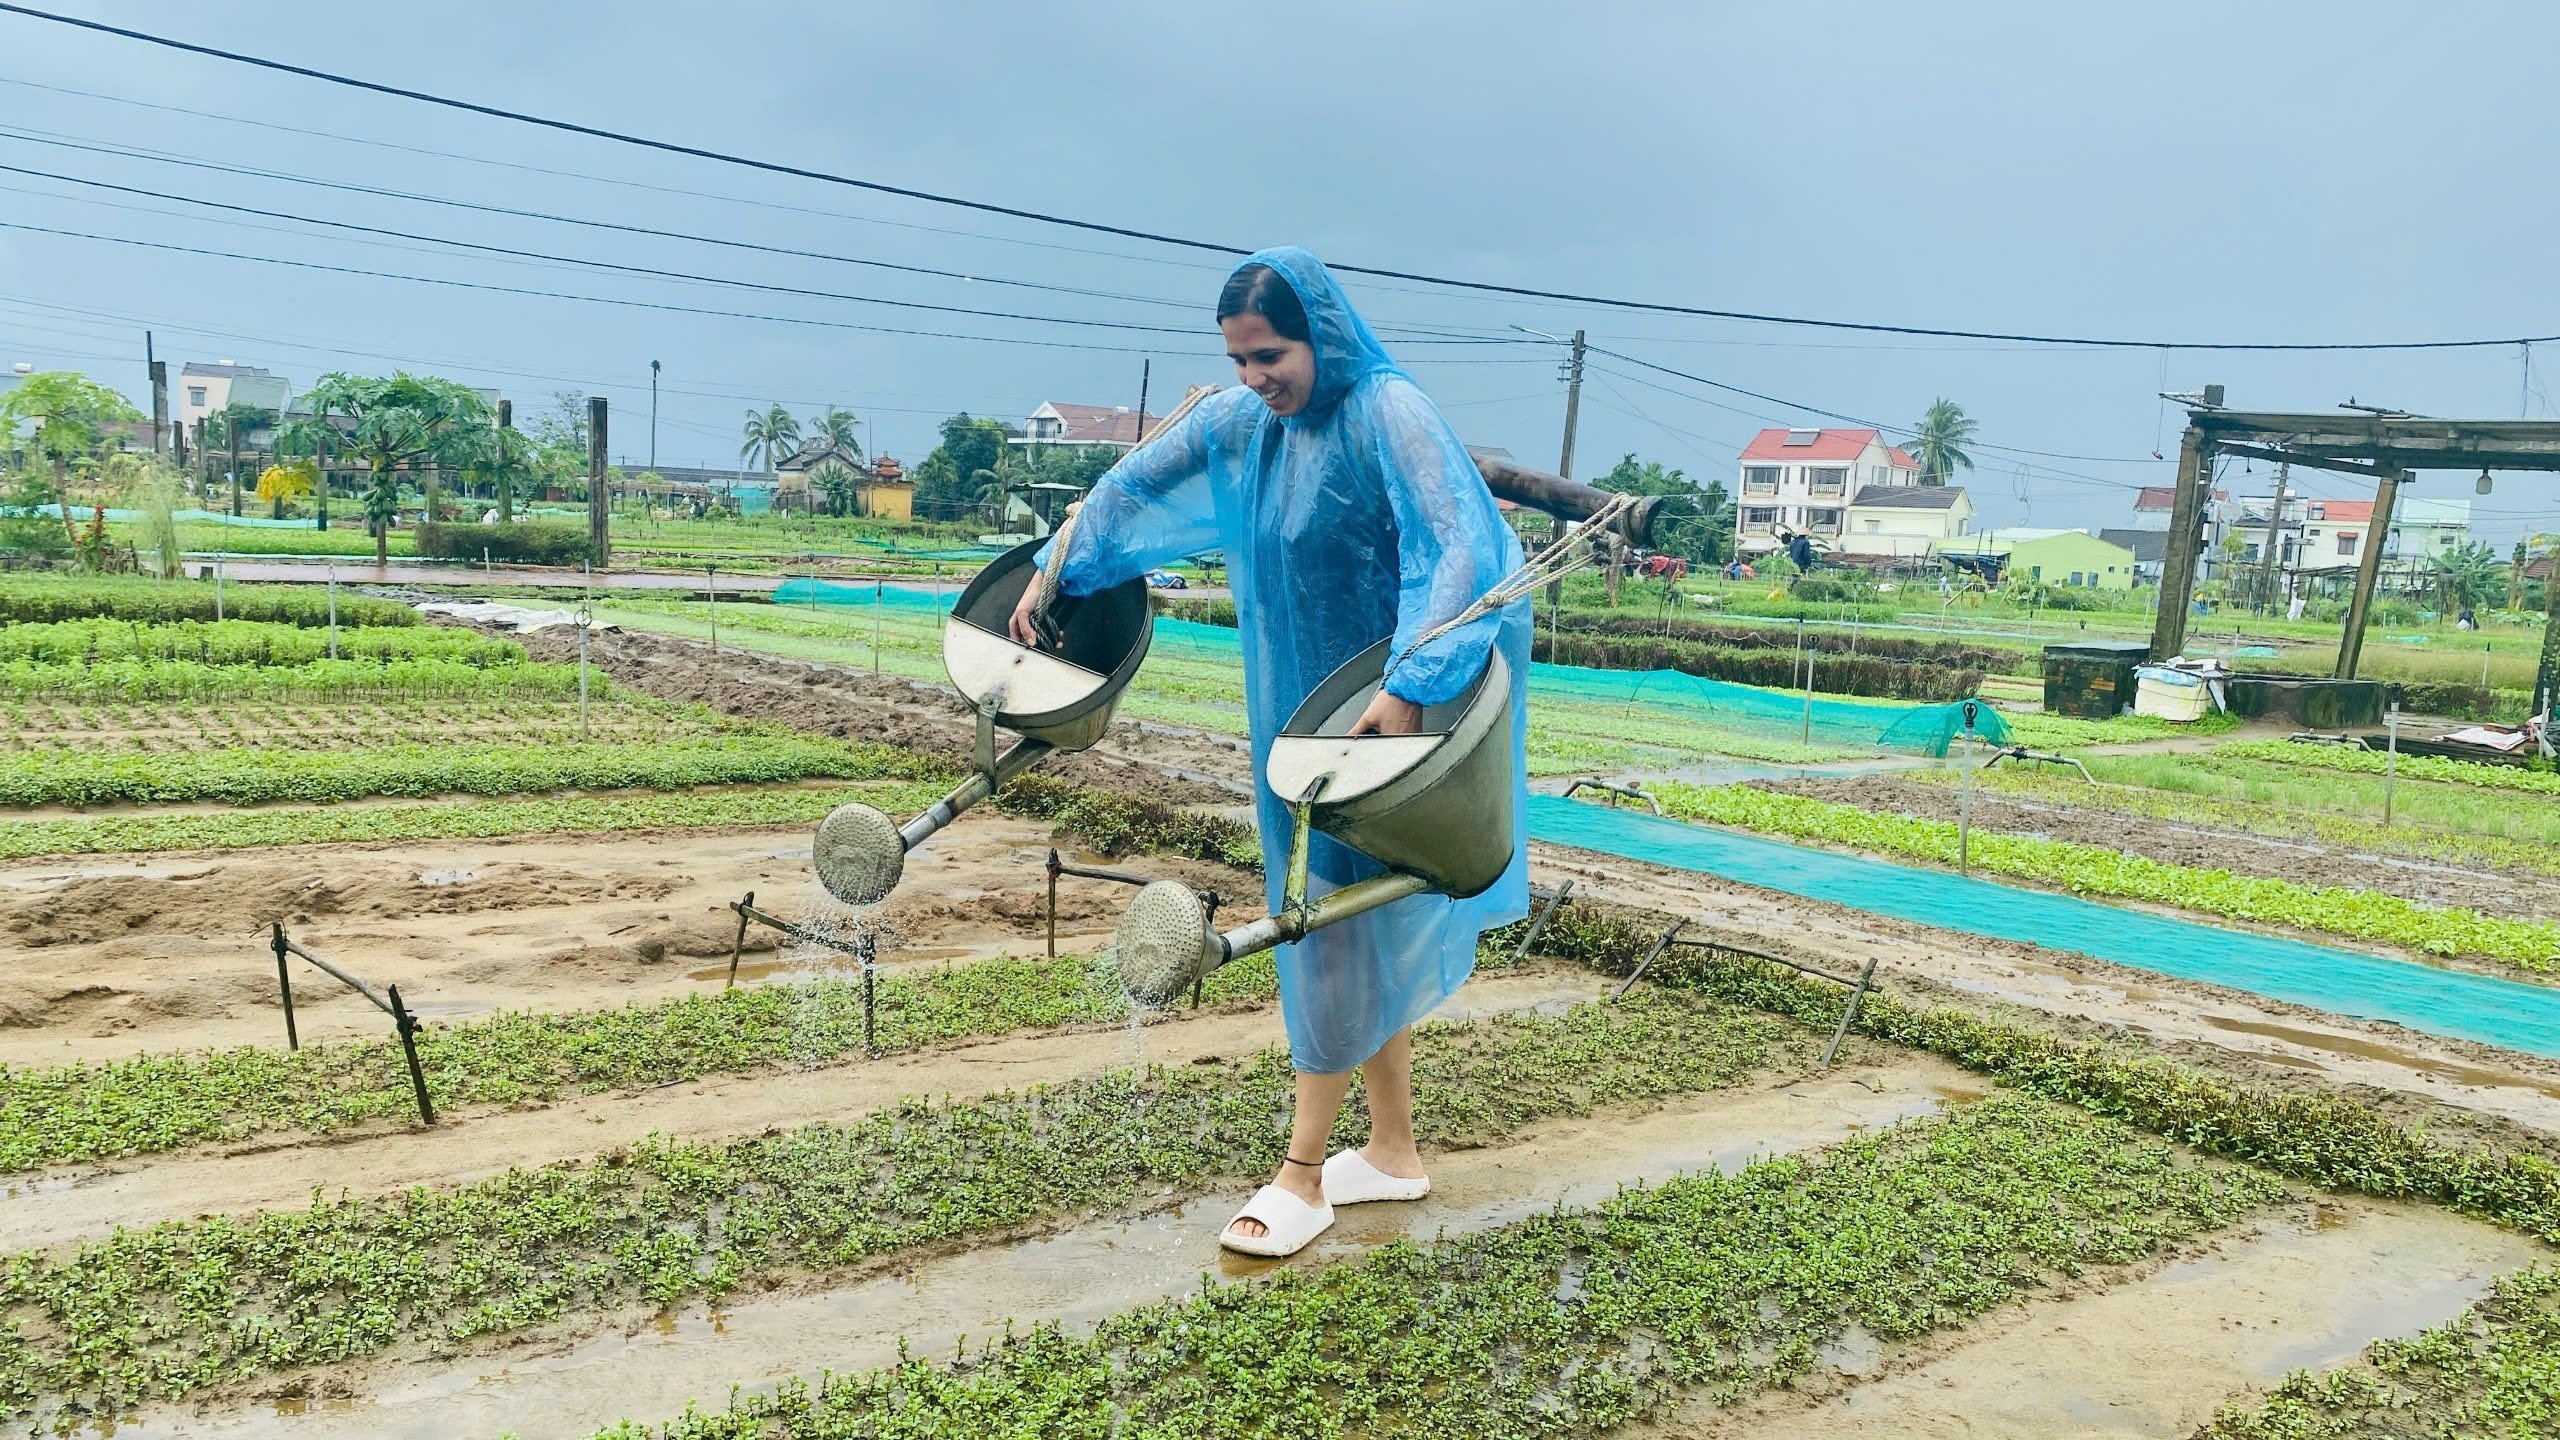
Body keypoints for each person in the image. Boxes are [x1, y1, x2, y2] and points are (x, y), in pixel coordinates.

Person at [1009, 248, 1531, 1258]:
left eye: (1271, 354)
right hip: (1287, 711)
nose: (1257, 377)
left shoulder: (1391, 414)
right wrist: (1055, 565)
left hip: (1380, 719)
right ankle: (1390, 1150)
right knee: (1351, 922)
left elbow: (1454, 551)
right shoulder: (1242, 426)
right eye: (1240, 359)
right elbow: (1127, 489)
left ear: (1321, 336)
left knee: (1323, 927)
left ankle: (1301, 1173)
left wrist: (1410, 686)